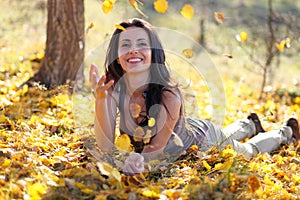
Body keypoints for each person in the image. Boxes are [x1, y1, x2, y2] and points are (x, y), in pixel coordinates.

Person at [89, 18, 300, 175]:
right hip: (186, 129)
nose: (133, 50)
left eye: (141, 44)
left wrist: (137, 162)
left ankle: (285, 131)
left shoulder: (169, 95)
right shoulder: (112, 89)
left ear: (154, 52)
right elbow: (106, 144)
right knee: (228, 135)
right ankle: (248, 124)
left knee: (248, 150)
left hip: (203, 140)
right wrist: (101, 100)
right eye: (125, 44)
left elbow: (155, 149)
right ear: (116, 55)